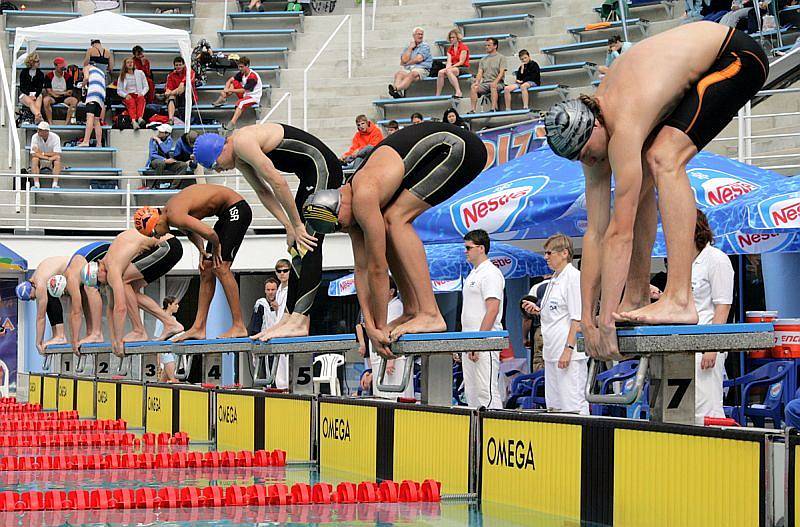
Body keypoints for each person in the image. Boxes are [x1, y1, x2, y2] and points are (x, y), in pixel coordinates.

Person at [543, 22, 768, 360]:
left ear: (596, 123)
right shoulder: (593, 145)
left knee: (664, 158)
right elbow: (595, 234)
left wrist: (606, 320)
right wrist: (587, 319)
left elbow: (620, 233)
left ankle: (680, 297)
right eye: (580, 158)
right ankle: (635, 295)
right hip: (697, 69)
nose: (589, 160)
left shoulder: (624, 125)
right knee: (645, 177)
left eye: (588, 152)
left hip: (736, 57)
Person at [302, 121, 487, 357]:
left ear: (340, 205)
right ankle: (412, 309)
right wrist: (370, 325)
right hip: (434, 154)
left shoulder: (364, 195)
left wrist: (379, 328)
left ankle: (430, 314)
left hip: (459, 147)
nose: (344, 229)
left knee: (396, 219)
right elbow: (361, 270)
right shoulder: (350, 209)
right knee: (390, 222)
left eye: (340, 225)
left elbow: (379, 269)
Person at [191, 124, 343, 340]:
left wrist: (298, 225)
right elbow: (264, 192)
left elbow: (277, 182)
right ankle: (289, 317)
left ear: (221, 149)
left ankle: (301, 320)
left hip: (323, 168)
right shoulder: (240, 157)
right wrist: (290, 227)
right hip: (309, 175)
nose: (218, 170)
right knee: (296, 249)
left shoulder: (243, 142)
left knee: (308, 243)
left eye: (215, 165)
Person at [132, 184, 251, 341]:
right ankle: (199, 328)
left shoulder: (174, 215)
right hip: (225, 214)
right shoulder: (171, 215)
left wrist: (216, 249)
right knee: (206, 269)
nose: (157, 237)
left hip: (236, 209)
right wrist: (202, 250)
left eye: (154, 233)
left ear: (156, 221)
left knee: (221, 267)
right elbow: (191, 232)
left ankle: (239, 325)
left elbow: (210, 233)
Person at [89, 229, 184, 356]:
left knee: (124, 282)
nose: (104, 284)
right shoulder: (110, 264)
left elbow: (120, 308)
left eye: (100, 282)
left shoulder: (112, 266)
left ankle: (139, 330)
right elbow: (111, 308)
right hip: (170, 248)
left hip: (166, 246)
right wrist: (114, 341)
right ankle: (169, 323)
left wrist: (119, 341)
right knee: (131, 289)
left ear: (99, 267)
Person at [690, 210, 734, 425]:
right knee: (690, 405)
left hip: (707, 342)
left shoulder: (716, 260)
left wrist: (712, 346)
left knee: (707, 404)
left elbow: (723, 306)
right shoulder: (686, 263)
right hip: (686, 342)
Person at [535, 234, 586, 414]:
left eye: (549, 253)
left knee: (573, 404)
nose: (546, 257)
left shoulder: (573, 278)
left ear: (564, 253)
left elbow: (577, 318)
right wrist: (537, 310)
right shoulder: (554, 279)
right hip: (551, 353)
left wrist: (568, 348)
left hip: (567, 353)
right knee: (555, 407)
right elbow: (557, 312)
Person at [461, 230, 504, 409]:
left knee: (486, 391)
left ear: (481, 248)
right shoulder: (473, 274)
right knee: (471, 392)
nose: (465, 251)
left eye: (468, 248)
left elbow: (492, 309)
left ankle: (495, 431)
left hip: (485, 342)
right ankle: (476, 434)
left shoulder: (490, 273)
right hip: (470, 341)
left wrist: (478, 343)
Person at [355, 278, 413, 400]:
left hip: (392, 362)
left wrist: (390, 361)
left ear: (391, 291)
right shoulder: (382, 309)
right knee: (382, 397)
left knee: (395, 397)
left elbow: (393, 333)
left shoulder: (396, 306)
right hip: (381, 359)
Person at [61, 241, 110, 354]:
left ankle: (97, 333)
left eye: (65, 294)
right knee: (85, 292)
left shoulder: (71, 280)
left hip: (101, 251)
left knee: (90, 287)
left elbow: (76, 312)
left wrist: (74, 340)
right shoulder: (72, 275)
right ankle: (92, 332)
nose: (67, 296)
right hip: (92, 253)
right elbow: (83, 305)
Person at [16, 256, 69, 355]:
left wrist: (38, 343)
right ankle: (57, 335)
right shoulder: (37, 279)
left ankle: (60, 336)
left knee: (50, 294)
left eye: (31, 297)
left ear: (31, 288)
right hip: (69, 264)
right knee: (49, 295)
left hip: (72, 266)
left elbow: (41, 318)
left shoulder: (40, 284)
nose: (33, 299)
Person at [211, 56, 263, 130]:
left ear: (247, 66)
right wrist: (226, 89)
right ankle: (223, 98)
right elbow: (230, 80)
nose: (240, 69)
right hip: (245, 95)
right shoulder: (242, 73)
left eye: (241, 67)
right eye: (239, 67)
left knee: (240, 103)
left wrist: (230, 90)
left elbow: (244, 90)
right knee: (234, 82)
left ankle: (232, 123)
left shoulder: (252, 76)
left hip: (253, 97)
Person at [78, 40, 112, 148]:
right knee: (97, 119)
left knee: (90, 117)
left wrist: (83, 84)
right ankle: (99, 143)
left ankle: (86, 141)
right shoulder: (108, 52)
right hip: (102, 88)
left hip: (94, 90)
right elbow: (110, 67)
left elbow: (86, 76)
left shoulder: (88, 64)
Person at [389, 27, 433, 99]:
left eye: (422, 34)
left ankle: (396, 88)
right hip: (410, 69)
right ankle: (397, 92)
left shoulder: (425, 46)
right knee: (399, 73)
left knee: (412, 74)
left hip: (421, 69)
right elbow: (403, 60)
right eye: (418, 34)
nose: (420, 36)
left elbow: (419, 59)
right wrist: (410, 48)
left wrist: (407, 63)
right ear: (414, 35)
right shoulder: (408, 46)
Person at [469, 38, 507, 113]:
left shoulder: (501, 58)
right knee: (474, 87)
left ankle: (493, 108)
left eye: (489, 45)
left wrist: (495, 82)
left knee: (493, 86)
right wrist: (477, 82)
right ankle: (473, 109)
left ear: (495, 46)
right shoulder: (483, 59)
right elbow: (480, 73)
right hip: (485, 83)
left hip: (498, 83)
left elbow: (502, 72)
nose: (486, 47)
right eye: (486, 45)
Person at [521, 278, 549, 372]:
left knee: (539, 363)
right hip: (561, 331)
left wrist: (525, 337)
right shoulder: (562, 285)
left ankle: (541, 385)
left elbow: (527, 318)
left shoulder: (536, 288)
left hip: (541, 329)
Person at [43, 57, 78, 125]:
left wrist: (59, 93)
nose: (62, 68)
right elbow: (49, 91)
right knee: (46, 100)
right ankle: (50, 123)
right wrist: (61, 93)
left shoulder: (68, 76)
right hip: (53, 97)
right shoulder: (49, 76)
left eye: (63, 67)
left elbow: (70, 92)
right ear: (55, 66)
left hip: (64, 97)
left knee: (74, 101)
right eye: (61, 67)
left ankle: (67, 123)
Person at [435, 29, 470, 97]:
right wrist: (448, 67)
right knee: (440, 72)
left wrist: (450, 68)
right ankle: (437, 94)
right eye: (450, 37)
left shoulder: (463, 47)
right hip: (453, 67)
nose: (451, 39)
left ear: (457, 38)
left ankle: (458, 91)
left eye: (453, 37)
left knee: (449, 71)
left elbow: (461, 62)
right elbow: (449, 61)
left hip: (463, 67)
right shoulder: (450, 49)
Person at [163, 56, 197, 126]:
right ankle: (171, 119)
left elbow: (181, 89)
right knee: (171, 97)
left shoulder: (190, 72)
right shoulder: (171, 75)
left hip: (189, 98)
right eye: (176, 65)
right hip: (177, 98)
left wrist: (172, 91)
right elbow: (167, 90)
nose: (178, 67)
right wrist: (172, 92)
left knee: (184, 87)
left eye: (180, 65)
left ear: (184, 65)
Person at [117, 57, 149, 129]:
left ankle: (140, 118)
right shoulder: (122, 76)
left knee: (141, 99)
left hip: (138, 94)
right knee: (131, 103)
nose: (130, 64)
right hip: (128, 95)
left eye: (131, 62)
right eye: (128, 62)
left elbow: (146, 86)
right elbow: (119, 90)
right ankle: (134, 121)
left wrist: (142, 93)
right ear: (125, 65)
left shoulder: (140, 73)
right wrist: (125, 95)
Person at [154, 296, 180, 382]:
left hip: (172, 349)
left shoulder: (173, 318)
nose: (178, 306)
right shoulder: (161, 318)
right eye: (175, 304)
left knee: (164, 377)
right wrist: (157, 358)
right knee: (173, 378)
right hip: (165, 350)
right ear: (169, 305)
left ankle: (156, 391)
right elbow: (158, 337)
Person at [29, 122, 62, 189]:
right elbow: (34, 153)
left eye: (41, 130)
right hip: (44, 158)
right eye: (38, 129)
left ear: (46, 131)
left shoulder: (55, 137)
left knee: (57, 160)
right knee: (34, 159)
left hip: (50, 158)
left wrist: (42, 153)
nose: (38, 131)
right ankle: (36, 184)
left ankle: (55, 184)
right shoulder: (34, 137)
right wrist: (47, 158)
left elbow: (57, 153)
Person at [19, 52, 47, 124]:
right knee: (31, 103)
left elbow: (40, 87)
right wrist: (29, 95)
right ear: (32, 62)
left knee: (38, 102)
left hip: (36, 93)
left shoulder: (40, 73)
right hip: (25, 93)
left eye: (39, 61)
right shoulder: (24, 72)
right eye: (37, 61)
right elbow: (22, 87)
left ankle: (37, 118)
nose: (39, 63)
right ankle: (40, 118)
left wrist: (35, 95)